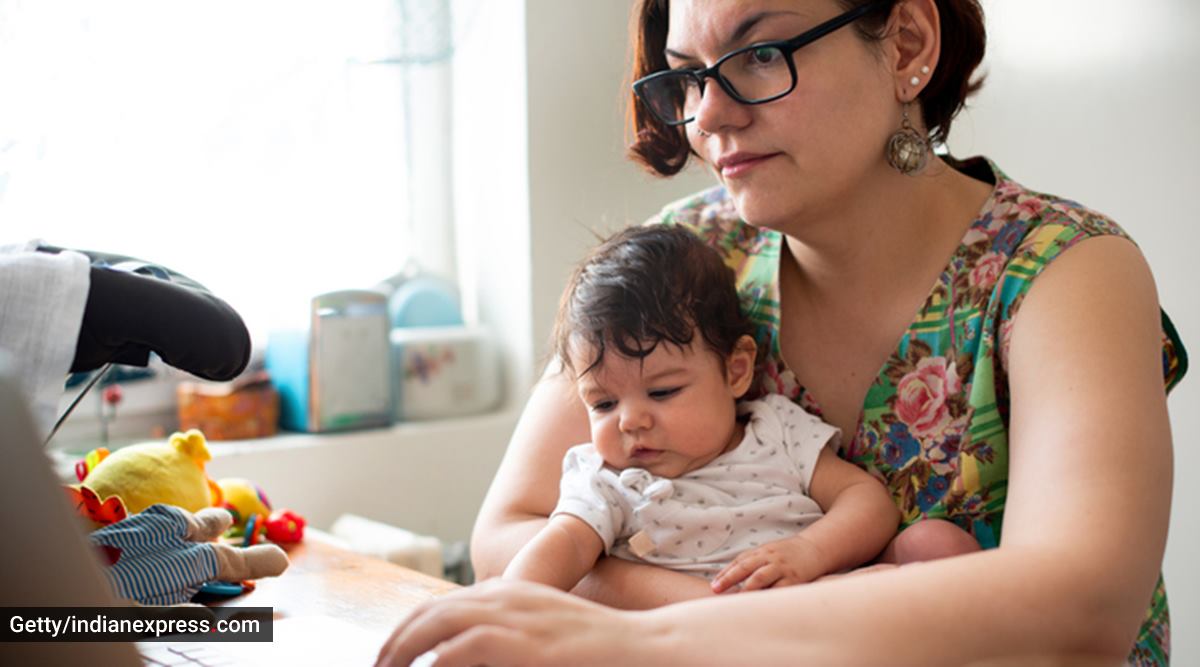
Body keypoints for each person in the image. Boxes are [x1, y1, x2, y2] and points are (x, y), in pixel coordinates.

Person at [378, 0, 1186, 665]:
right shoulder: (693, 257)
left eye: (760, 54)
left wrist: (649, 633)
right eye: (689, 77)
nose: (709, 116)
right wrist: (724, 619)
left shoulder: (1065, 269)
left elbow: (1080, 610)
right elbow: (507, 535)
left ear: (907, 42)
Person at [504, 225, 948, 594]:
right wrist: (503, 608)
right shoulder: (607, 481)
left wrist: (811, 551)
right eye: (603, 403)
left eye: (662, 393)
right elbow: (558, 550)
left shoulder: (775, 429)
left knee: (933, 544)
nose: (630, 420)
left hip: (821, 605)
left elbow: (866, 500)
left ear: (736, 371)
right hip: (698, 640)